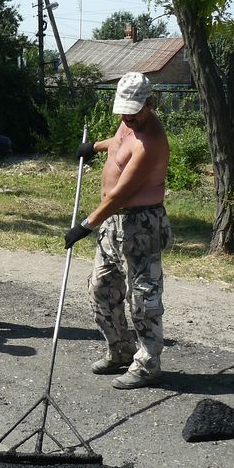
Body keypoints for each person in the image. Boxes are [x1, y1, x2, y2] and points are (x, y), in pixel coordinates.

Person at [62, 72, 171, 390]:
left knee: (143, 297)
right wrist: (94, 146)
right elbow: (120, 142)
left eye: (134, 111)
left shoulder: (151, 141)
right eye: (124, 110)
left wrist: (85, 225)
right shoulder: (130, 121)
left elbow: (121, 195)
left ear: (150, 104)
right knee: (101, 288)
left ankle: (147, 363)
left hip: (141, 225)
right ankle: (120, 350)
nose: (128, 117)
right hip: (113, 223)